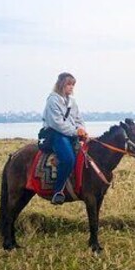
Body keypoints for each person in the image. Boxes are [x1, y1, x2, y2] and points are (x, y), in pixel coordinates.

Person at [42, 72, 88, 204]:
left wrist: (82, 130)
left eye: (73, 84)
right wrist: (75, 132)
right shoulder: (52, 100)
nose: (71, 87)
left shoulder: (72, 102)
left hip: (71, 133)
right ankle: (57, 191)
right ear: (61, 84)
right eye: (69, 84)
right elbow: (57, 123)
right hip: (56, 134)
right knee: (68, 159)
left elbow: (79, 119)